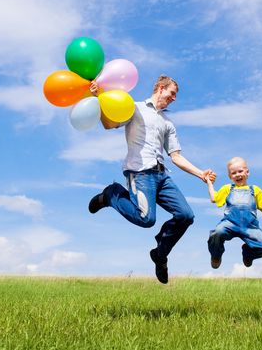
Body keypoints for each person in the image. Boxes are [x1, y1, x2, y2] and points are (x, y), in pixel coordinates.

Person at [87, 74, 214, 284]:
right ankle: (111, 195)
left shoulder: (167, 122)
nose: (174, 98)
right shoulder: (134, 108)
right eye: (172, 93)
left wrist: (200, 173)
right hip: (140, 172)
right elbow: (110, 124)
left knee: (186, 215)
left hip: (162, 176)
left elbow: (176, 156)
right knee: (146, 219)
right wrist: (98, 98)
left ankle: (160, 254)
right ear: (161, 88)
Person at [206, 157, 262, 269]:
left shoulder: (254, 189)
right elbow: (214, 199)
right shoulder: (228, 188)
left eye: (240, 171)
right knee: (216, 233)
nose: (237, 175)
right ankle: (216, 255)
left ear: (247, 172)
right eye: (234, 173)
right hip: (230, 224)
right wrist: (210, 183)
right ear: (230, 176)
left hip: (250, 227)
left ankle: (248, 254)